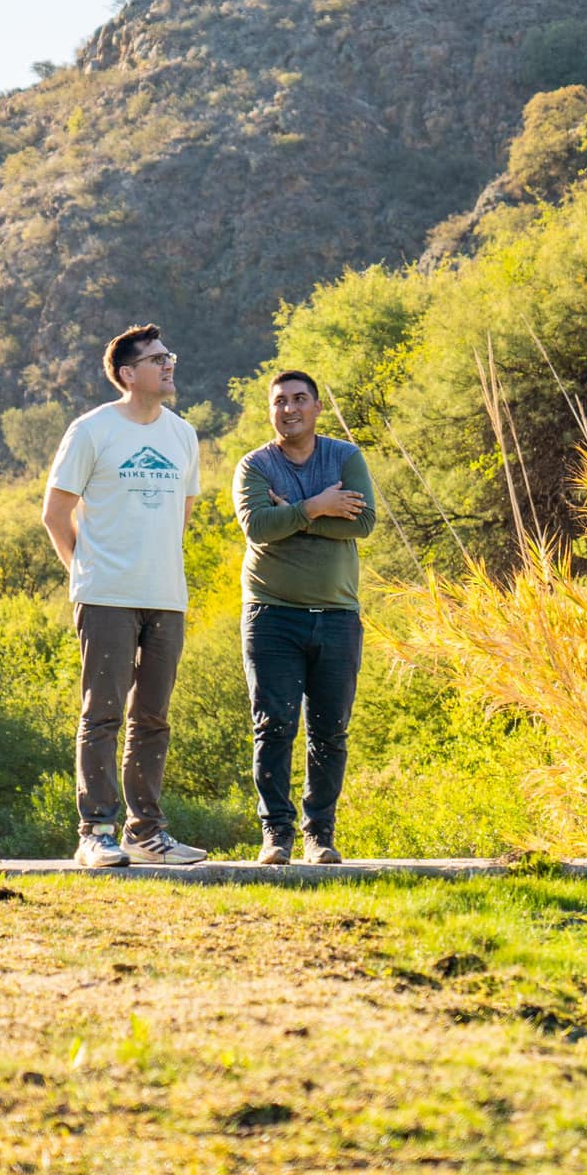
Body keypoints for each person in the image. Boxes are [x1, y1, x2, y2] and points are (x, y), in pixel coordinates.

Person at [42, 324, 207, 868]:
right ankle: (96, 832)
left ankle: (147, 834)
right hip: (105, 596)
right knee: (104, 713)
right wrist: (85, 575)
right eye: (157, 359)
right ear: (127, 374)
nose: (168, 365)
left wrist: (153, 570)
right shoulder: (91, 430)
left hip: (166, 596)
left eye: (170, 355)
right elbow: (55, 514)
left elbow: (179, 520)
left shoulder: (182, 435)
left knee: (153, 718)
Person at [232, 370, 377, 865]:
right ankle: (276, 835)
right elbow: (258, 526)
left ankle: (320, 836)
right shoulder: (255, 465)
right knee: (274, 726)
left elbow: (362, 522)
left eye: (299, 400)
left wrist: (293, 513)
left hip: (337, 615)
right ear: (269, 410)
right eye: (279, 402)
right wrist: (318, 506)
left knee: (330, 729)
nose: (289, 409)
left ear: (317, 408)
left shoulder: (345, 457)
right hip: (272, 615)